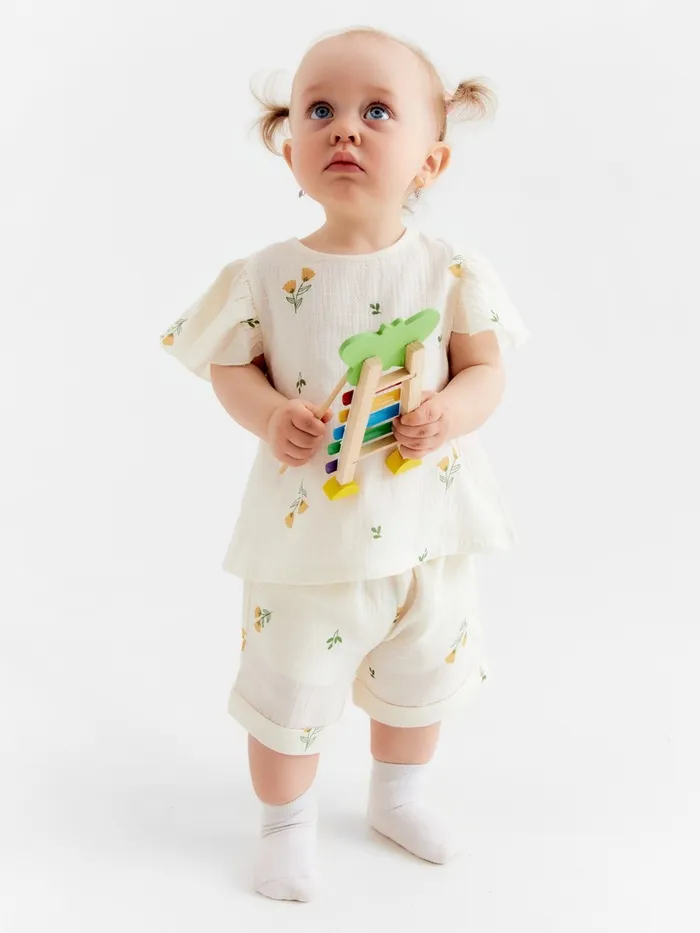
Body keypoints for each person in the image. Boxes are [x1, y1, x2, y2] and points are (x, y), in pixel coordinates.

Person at [159, 25, 529, 902]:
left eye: (377, 111)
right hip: (310, 542)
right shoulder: (264, 275)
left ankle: (397, 796)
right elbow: (229, 366)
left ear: (430, 162)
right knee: (289, 685)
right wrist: (269, 414)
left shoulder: (449, 271)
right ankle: (284, 825)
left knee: (422, 674)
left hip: (428, 530)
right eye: (320, 110)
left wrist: (449, 413)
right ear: (291, 152)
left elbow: (485, 369)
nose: (346, 129)